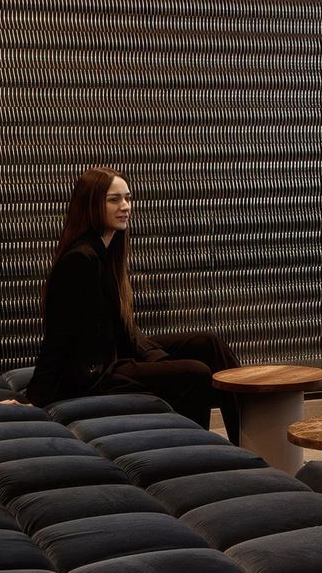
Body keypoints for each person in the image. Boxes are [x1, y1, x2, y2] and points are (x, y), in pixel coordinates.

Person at [21, 166, 241, 442]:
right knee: (195, 373)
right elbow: (58, 335)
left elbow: (122, 326)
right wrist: (34, 397)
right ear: (91, 205)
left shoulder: (107, 250)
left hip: (114, 355)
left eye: (127, 198)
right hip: (93, 375)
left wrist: (153, 356)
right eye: (114, 200)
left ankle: (245, 436)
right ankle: (195, 449)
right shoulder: (80, 259)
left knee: (208, 343)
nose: (125, 206)